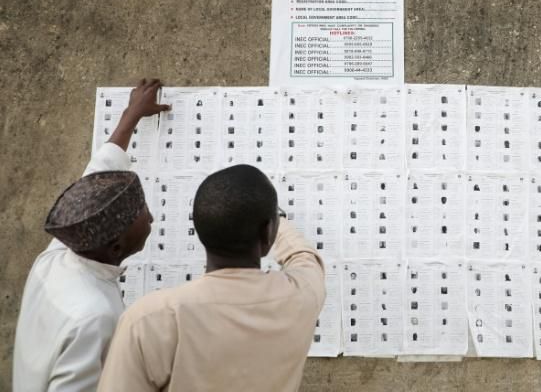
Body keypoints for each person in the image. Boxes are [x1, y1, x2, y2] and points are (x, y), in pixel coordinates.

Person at [98, 165, 326, 392]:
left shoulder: (149, 319)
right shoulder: (302, 296)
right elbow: (304, 258)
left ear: (199, 229)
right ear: (267, 232)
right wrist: (277, 220)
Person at [13, 79, 170, 392]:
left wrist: (131, 115)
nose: (151, 216)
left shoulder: (61, 253)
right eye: (142, 214)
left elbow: (96, 176)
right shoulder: (94, 317)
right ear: (116, 247)